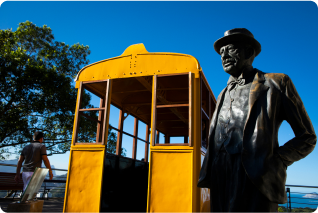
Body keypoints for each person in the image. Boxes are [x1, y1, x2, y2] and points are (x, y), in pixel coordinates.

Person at [197, 28, 316, 213]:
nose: (224, 55)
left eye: (231, 49)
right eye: (221, 52)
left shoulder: (277, 83)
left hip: (255, 177)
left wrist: (276, 159)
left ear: (249, 52)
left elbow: (307, 136)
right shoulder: (222, 94)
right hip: (219, 175)